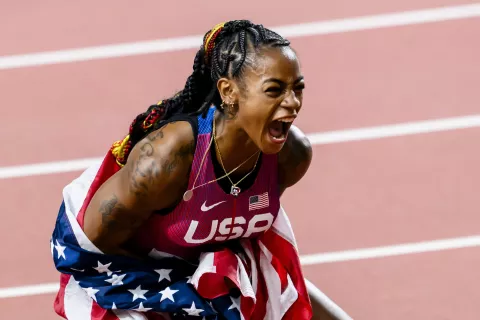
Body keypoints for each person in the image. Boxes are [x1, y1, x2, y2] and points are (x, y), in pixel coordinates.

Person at [51, 20, 344, 320]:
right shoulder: (165, 161)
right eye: (274, 90)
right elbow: (92, 244)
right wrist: (180, 296)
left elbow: (248, 238)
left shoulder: (291, 157)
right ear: (228, 91)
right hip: (133, 277)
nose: (292, 103)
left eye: (298, 88)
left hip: (210, 268)